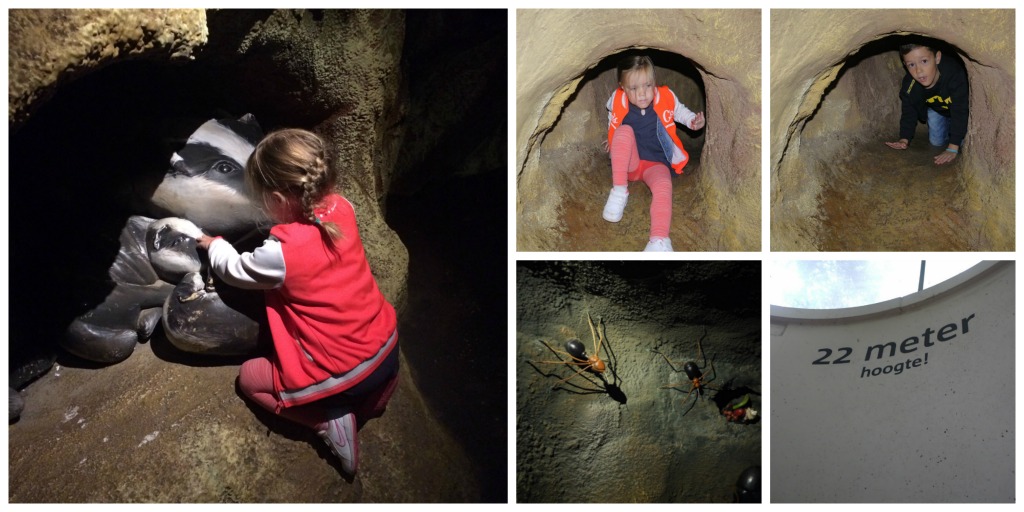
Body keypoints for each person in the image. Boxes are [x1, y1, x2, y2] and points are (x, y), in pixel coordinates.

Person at [196, 128, 399, 476]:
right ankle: (372, 401)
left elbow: (234, 269)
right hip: (386, 350)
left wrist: (212, 243)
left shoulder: (280, 253)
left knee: (249, 379)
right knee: (370, 386)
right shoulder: (343, 208)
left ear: (275, 200)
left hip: (343, 372)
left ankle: (325, 421)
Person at [602, 54, 705, 252]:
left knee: (664, 185)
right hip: (630, 164)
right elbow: (611, 112)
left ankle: (659, 240)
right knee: (623, 133)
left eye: (648, 86)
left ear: (654, 83)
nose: (642, 94)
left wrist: (693, 121)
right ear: (622, 87)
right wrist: (611, 134)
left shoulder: (664, 96)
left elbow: (679, 111)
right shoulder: (617, 98)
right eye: (634, 88)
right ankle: (619, 190)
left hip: (655, 163)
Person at [884, 42, 969, 165]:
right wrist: (904, 139)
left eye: (924, 61)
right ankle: (951, 130)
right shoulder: (909, 86)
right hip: (937, 110)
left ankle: (956, 135)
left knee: (962, 142)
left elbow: (961, 109)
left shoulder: (954, 73)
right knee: (936, 142)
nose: (919, 71)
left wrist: (952, 147)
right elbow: (909, 113)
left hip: (960, 108)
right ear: (905, 65)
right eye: (911, 65)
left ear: (937, 58)